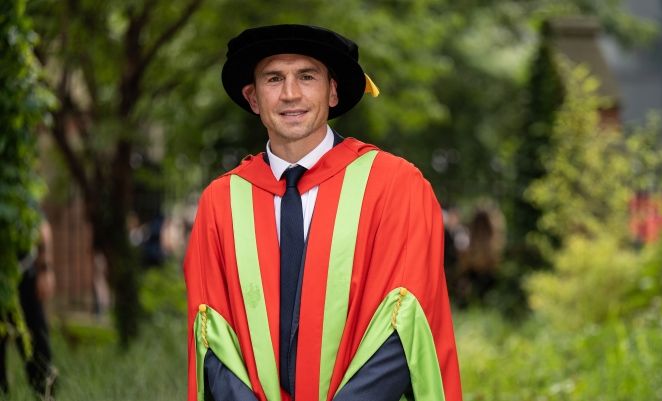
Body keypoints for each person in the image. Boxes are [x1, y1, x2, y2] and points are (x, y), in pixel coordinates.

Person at [183, 24, 462, 401]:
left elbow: (406, 321)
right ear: (252, 98)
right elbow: (211, 332)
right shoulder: (222, 202)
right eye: (274, 78)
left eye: (307, 76)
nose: (290, 94)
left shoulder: (395, 186)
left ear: (332, 91)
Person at [0, 219, 57, 399]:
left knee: (38, 352)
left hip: (23, 276)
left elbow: (41, 224)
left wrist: (45, 269)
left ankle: (45, 395)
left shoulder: (13, 192)